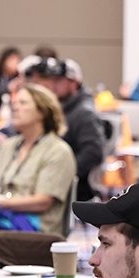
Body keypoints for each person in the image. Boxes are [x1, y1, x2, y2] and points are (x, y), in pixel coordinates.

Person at [0, 84, 76, 234]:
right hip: (0, 219)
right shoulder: (8, 146)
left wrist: (3, 203)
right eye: (15, 103)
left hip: (36, 230)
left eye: (23, 103)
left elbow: (43, 202)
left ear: (42, 112)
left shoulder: (58, 151)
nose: (15, 107)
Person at [32, 58, 106, 201]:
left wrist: (63, 171)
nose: (53, 85)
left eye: (59, 81)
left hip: (74, 188)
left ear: (74, 82)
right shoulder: (64, 107)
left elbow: (94, 152)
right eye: (52, 80)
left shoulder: (84, 112)